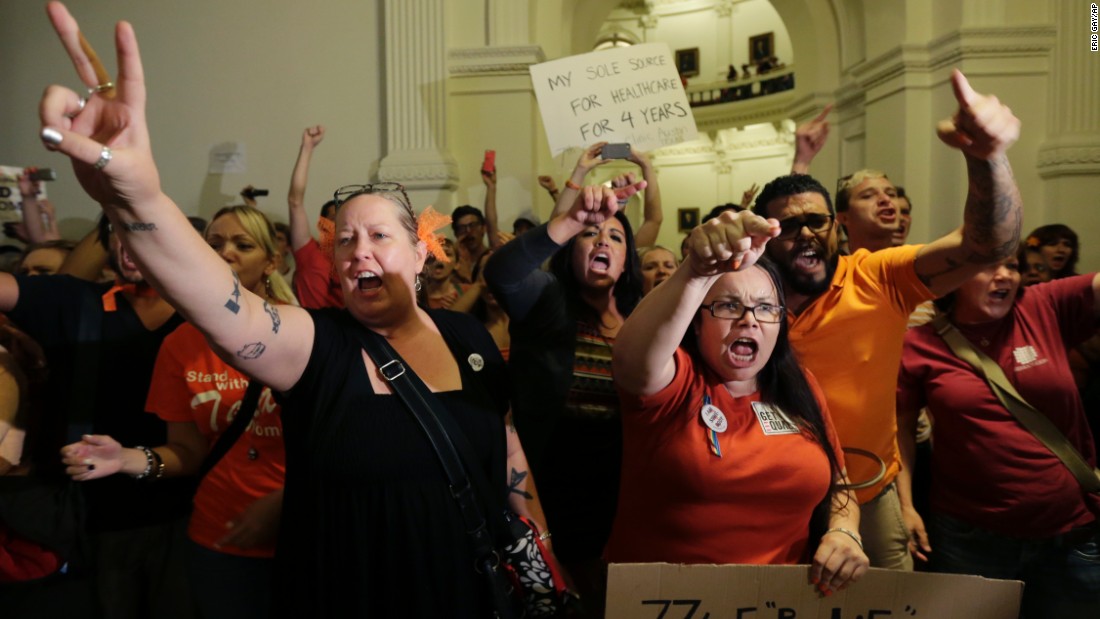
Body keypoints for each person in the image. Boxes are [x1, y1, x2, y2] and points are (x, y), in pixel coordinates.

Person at [34, 7, 566, 616]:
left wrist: (546, 566)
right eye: (344, 240)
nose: (358, 250)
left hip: (465, 594)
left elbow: (506, 453)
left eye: (378, 237)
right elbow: (221, 305)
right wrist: (137, 195)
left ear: (421, 256)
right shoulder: (318, 345)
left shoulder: (466, 333)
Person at [751, 69, 1023, 570]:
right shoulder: (745, 299)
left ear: (838, 227)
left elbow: (990, 246)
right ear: (766, 236)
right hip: (775, 497)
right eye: (789, 226)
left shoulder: (878, 277)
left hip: (869, 493)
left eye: (817, 221)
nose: (806, 234)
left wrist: (987, 158)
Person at [610, 211, 869, 594]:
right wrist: (696, 272)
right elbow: (632, 359)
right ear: (696, 322)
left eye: (766, 308)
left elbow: (839, 481)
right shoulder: (674, 381)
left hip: (778, 600)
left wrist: (846, 532)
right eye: (729, 306)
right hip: (667, 601)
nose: (749, 320)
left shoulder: (800, 387)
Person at [60, 205, 294, 619]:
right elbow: (187, 452)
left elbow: (344, 443)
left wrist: (283, 502)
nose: (225, 254)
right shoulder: (181, 344)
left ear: (271, 262)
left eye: (242, 244)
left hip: (305, 527)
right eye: (214, 244)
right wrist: (129, 459)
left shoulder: (305, 331)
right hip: (218, 538)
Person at [896, 256, 1100, 616]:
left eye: (1012, 265)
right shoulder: (920, 345)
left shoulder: (1041, 305)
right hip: (970, 539)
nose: (1005, 275)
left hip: (1071, 536)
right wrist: (906, 507)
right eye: (988, 265)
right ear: (954, 276)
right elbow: (900, 435)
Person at [484, 173, 647, 617]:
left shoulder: (642, 317)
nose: (603, 240)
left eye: (616, 236)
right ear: (570, 249)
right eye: (590, 234)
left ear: (628, 257)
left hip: (624, 490)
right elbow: (501, 272)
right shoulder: (547, 301)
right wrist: (571, 218)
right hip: (552, 489)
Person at [286, 124, 343, 309]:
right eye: (333, 219)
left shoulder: (356, 257)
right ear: (322, 224)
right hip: (309, 330)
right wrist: (307, 149)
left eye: (344, 220)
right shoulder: (309, 251)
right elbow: (295, 201)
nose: (339, 225)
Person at [834, 170, 901, 253]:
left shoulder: (915, 262)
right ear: (844, 218)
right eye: (868, 196)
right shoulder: (829, 265)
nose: (886, 199)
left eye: (891, 194)